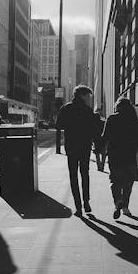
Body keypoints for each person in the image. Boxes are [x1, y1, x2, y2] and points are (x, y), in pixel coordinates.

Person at [56, 84, 96, 216]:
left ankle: (78, 207)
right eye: (87, 96)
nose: (88, 98)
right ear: (81, 95)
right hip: (85, 147)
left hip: (71, 146)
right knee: (85, 174)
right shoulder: (88, 110)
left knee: (73, 176)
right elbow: (93, 129)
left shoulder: (66, 108)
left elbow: (59, 125)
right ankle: (87, 202)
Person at [101, 96, 138, 219]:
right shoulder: (135, 121)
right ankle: (125, 207)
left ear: (118, 106)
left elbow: (105, 137)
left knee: (115, 181)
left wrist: (100, 150)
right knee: (128, 183)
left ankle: (117, 201)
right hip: (130, 157)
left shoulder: (112, 118)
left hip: (115, 156)